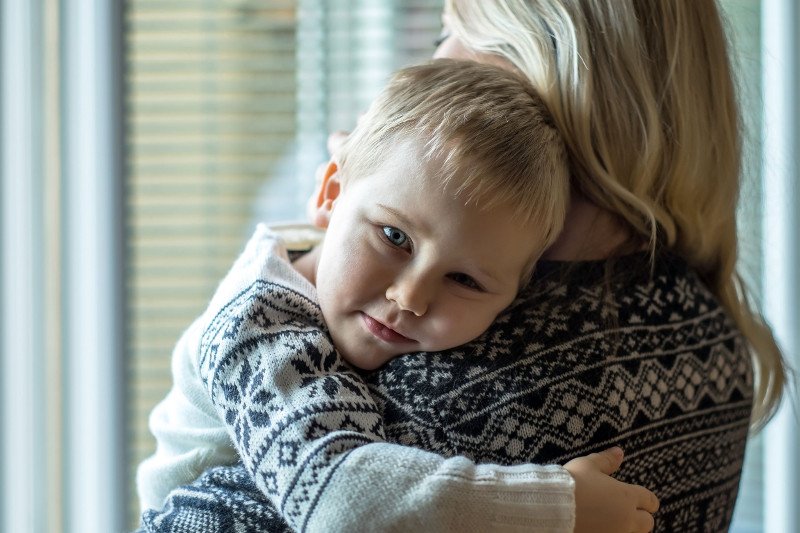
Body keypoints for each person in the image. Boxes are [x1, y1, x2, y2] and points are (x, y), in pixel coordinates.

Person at [140, 1, 788, 532]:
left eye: (459, 31)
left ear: (561, 68)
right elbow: (333, 495)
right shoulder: (710, 336)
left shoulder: (479, 367)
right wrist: (557, 501)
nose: (411, 296)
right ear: (331, 195)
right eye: (393, 234)